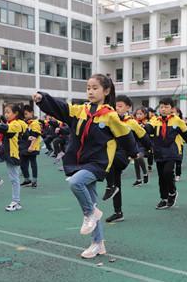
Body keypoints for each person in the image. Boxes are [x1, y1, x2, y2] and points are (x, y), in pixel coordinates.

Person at [32, 74, 137, 259]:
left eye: (95, 88)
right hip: (80, 161)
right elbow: (61, 108)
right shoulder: (80, 110)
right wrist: (43, 99)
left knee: (75, 183)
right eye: (88, 87)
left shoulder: (111, 115)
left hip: (99, 163)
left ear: (106, 91)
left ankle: (90, 213)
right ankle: (98, 244)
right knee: (92, 200)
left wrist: (134, 153)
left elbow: (125, 135)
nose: (90, 91)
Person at [103, 95, 150, 223]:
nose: (117, 108)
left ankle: (110, 186)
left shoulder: (131, 122)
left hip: (124, 155)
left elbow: (144, 136)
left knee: (109, 164)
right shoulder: (110, 120)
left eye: (120, 106)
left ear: (128, 108)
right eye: (115, 106)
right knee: (116, 183)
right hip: (112, 153)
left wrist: (150, 149)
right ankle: (118, 212)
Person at [149, 98, 187, 209]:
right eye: (161, 107)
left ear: (172, 109)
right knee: (161, 176)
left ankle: (172, 192)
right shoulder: (155, 120)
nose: (163, 109)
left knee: (168, 172)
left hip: (172, 151)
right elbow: (147, 129)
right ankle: (164, 198)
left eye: (166, 107)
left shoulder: (177, 120)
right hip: (159, 152)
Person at [0, 104, 28, 212]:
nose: (6, 114)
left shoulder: (18, 124)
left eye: (8, 112)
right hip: (4, 151)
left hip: (13, 153)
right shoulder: (10, 123)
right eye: (5, 112)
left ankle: (16, 202)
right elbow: (4, 129)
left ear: (16, 113)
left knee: (14, 179)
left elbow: (7, 129)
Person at [20, 105, 42, 188]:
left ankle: (34, 181)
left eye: (26, 114)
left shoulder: (35, 123)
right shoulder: (27, 123)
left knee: (33, 163)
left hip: (32, 147)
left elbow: (35, 136)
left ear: (31, 113)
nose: (24, 116)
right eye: (24, 114)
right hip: (25, 147)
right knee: (23, 163)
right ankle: (27, 180)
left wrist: (31, 146)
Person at [132, 107, 150, 187]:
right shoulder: (133, 122)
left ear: (145, 115)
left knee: (139, 157)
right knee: (136, 161)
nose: (138, 116)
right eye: (137, 114)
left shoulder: (148, 123)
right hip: (135, 144)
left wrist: (144, 126)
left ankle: (145, 173)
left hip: (143, 144)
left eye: (140, 114)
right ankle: (138, 179)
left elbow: (149, 133)